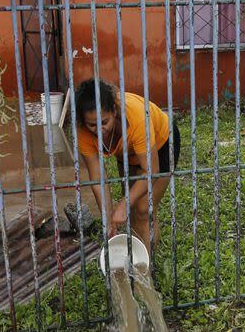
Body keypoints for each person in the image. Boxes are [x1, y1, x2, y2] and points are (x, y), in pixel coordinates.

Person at [74, 78, 180, 254]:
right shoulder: (82, 132)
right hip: (128, 154)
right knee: (132, 210)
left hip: (162, 144)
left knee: (144, 209)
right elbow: (98, 178)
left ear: (114, 111)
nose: (99, 130)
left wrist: (122, 204)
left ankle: (145, 270)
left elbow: (151, 171)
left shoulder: (136, 116)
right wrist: (108, 219)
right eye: (92, 125)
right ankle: (137, 255)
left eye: (104, 122)